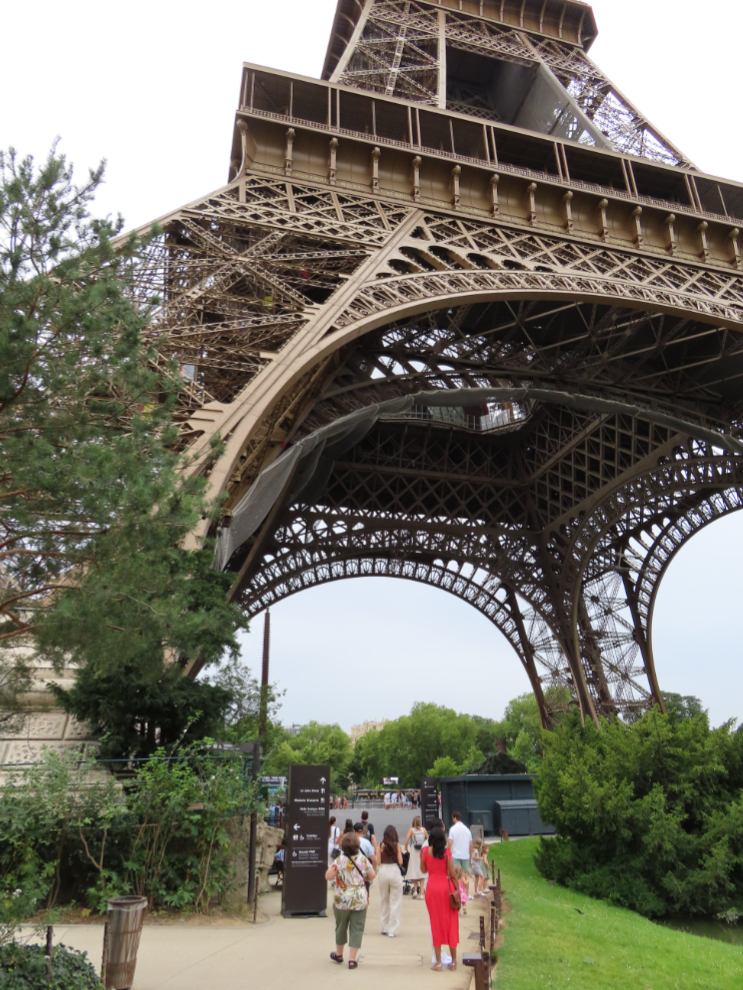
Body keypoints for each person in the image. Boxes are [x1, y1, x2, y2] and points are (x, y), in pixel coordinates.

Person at [325, 831, 376, 969]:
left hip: (342, 898)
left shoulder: (340, 860)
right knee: (357, 928)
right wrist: (362, 878)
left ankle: (339, 954)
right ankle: (352, 959)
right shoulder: (363, 859)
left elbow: (328, 876)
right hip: (359, 898)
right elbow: (372, 875)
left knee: (341, 926)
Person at [420, 826, 459, 971]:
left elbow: (423, 870)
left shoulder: (425, 852)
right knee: (451, 923)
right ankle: (454, 962)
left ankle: (438, 963)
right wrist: (458, 890)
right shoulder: (447, 853)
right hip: (445, 888)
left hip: (432, 889)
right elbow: (452, 874)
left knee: (435, 923)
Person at [375, 825, 404, 938]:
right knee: (395, 902)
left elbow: (378, 862)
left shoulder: (380, 845)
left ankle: (385, 926)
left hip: (383, 871)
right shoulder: (396, 845)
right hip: (394, 871)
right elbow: (400, 861)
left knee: (384, 900)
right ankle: (392, 930)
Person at [447, 811, 473, 897]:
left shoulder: (452, 829)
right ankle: (467, 894)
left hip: (456, 855)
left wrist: (448, 852)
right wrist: (470, 854)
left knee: (456, 875)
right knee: (466, 875)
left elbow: (450, 842)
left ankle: (457, 893)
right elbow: (471, 844)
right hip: (465, 855)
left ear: (455, 818)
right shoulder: (467, 830)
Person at [403, 816, 428, 899]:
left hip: (414, 851)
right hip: (422, 851)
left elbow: (406, 841)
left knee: (415, 870)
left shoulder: (411, 830)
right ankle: (421, 893)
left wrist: (406, 848)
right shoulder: (423, 830)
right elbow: (428, 839)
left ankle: (415, 891)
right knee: (422, 872)